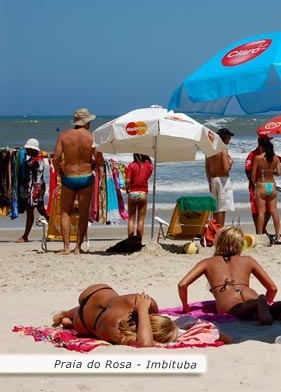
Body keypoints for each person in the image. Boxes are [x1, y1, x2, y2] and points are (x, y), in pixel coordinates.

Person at [177, 226, 281, 325]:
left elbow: (182, 285)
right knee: (269, 309)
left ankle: (257, 304)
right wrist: (266, 306)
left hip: (227, 297)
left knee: (239, 310)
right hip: (249, 292)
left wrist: (185, 307)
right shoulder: (248, 260)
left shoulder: (207, 262)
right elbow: (272, 288)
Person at [52, 284, 178, 347]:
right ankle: (69, 320)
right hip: (83, 323)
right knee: (88, 314)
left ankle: (64, 314)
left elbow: (145, 341)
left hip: (98, 291)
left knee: (102, 307)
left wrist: (143, 309)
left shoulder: (148, 304)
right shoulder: (121, 334)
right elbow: (145, 343)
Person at [53, 108, 103, 254]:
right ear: (87, 122)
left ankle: (67, 247)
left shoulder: (64, 135)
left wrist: (60, 171)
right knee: (83, 213)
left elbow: (56, 158)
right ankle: (78, 248)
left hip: (69, 176)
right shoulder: (92, 137)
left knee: (65, 212)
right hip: (86, 176)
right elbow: (99, 158)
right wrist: (93, 165)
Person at [244, 135, 281, 234]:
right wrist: (254, 183)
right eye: (269, 141)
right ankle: (268, 232)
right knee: (265, 210)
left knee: (263, 211)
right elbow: (247, 170)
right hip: (268, 185)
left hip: (260, 185)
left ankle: (261, 230)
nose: (270, 143)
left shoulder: (263, 156)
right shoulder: (253, 155)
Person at [16, 139, 49, 243]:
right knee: (41, 210)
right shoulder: (32, 160)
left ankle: (25, 236)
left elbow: (38, 178)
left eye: (29, 149)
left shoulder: (38, 161)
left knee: (31, 211)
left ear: (33, 149)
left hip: (36, 189)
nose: (27, 150)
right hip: (32, 188)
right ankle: (55, 229)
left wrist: (35, 193)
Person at [251, 138, 281, 244]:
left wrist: (256, 182)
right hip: (272, 185)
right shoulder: (275, 158)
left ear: (261, 147)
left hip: (262, 184)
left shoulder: (258, 158)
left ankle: (259, 236)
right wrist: (271, 173)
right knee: (274, 211)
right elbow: (279, 173)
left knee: (261, 212)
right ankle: (278, 235)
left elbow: (253, 176)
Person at [205, 128, 234, 226]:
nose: (230, 139)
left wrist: (209, 182)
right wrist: (230, 163)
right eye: (229, 137)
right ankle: (220, 230)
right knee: (222, 208)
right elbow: (226, 169)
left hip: (213, 179)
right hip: (223, 180)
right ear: (225, 138)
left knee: (215, 208)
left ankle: (214, 230)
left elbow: (207, 167)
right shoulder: (223, 149)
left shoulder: (210, 149)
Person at [125, 154, 153, 242]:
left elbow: (128, 180)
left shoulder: (131, 165)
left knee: (131, 219)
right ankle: (139, 241)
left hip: (133, 192)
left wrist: (126, 187)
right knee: (141, 220)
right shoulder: (149, 166)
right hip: (143, 193)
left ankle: (130, 242)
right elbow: (146, 176)